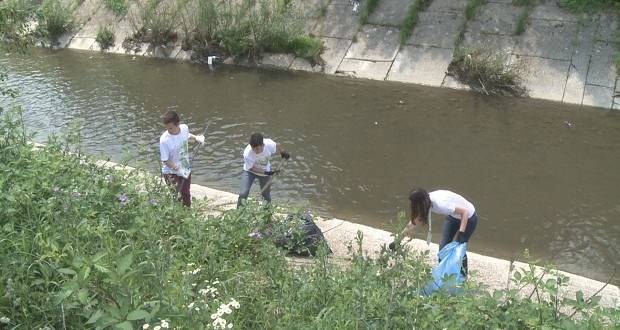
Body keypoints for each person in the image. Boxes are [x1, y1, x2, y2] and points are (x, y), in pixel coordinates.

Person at [394, 188, 478, 276]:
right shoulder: (426, 203)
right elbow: (414, 222)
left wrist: (461, 233)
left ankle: (463, 277)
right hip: (453, 216)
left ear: (421, 203)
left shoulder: (441, 204)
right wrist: (398, 240)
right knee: (443, 246)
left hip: (469, 218)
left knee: (459, 248)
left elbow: (465, 212)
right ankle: (443, 275)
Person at [159, 110, 205, 207]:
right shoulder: (164, 140)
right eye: (167, 128)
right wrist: (176, 168)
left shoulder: (184, 128)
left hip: (185, 167)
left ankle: (187, 215)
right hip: (171, 171)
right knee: (177, 196)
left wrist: (197, 138)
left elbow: (187, 136)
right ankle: (177, 219)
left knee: (186, 193)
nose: (168, 130)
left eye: (171, 128)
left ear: (178, 124)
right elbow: (165, 160)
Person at [237, 132, 290, 208]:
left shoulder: (269, 144)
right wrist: (268, 173)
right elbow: (252, 168)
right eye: (253, 149)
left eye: (258, 148)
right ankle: (239, 212)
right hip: (249, 171)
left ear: (263, 145)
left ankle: (267, 213)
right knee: (243, 193)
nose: (256, 151)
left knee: (266, 196)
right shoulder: (247, 153)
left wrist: (283, 152)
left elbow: (277, 145)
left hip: (265, 173)